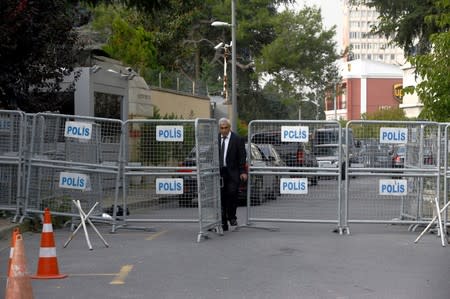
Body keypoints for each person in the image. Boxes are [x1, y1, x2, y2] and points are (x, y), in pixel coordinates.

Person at [218, 118, 247, 231]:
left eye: (226, 128)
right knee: (221, 197)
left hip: (233, 172)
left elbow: (242, 156)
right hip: (220, 172)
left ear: (229, 128)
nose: (224, 130)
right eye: (221, 128)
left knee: (232, 194)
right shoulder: (215, 139)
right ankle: (223, 221)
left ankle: (231, 216)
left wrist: (243, 172)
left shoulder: (237, 139)